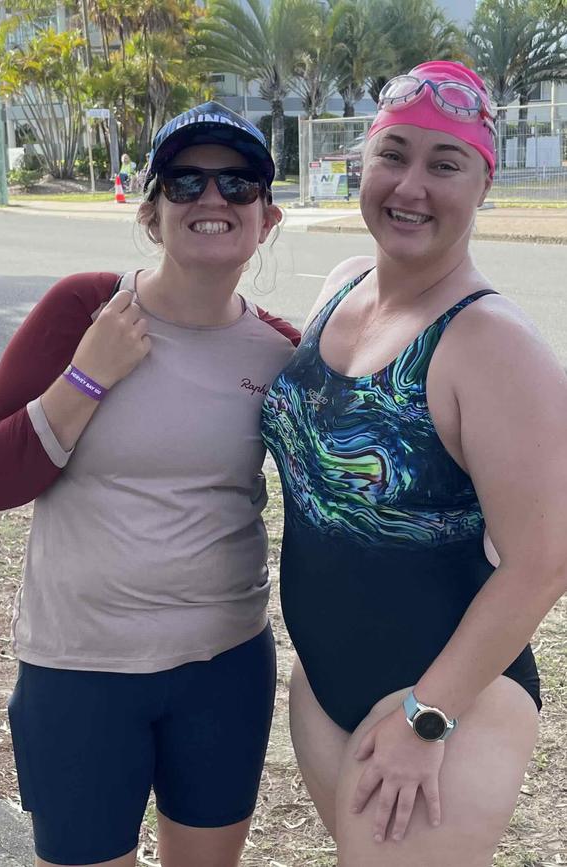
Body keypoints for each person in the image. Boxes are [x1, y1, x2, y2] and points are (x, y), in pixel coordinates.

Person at [0, 101, 299, 867]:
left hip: (224, 666)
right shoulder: (87, 307)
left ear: (267, 219)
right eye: (185, 182)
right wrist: (88, 375)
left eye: (239, 185)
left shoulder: (281, 354)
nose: (213, 200)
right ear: (151, 214)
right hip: (80, 669)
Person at [261, 60, 567, 866]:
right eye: (394, 154)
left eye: (445, 163)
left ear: (483, 183)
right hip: (325, 686)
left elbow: (544, 560)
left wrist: (428, 716)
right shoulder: (342, 284)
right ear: (364, 160)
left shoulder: (493, 344)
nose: (412, 185)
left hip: (445, 705)